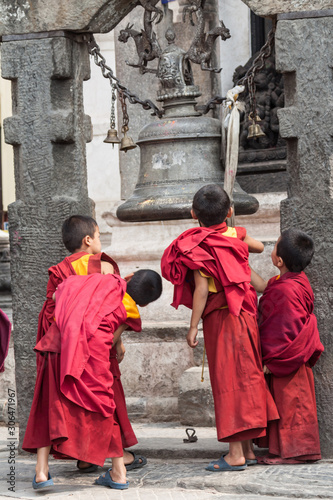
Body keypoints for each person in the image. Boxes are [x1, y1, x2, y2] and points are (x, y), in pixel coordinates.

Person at [161, 184, 279, 472]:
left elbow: (201, 289)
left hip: (221, 320)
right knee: (248, 377)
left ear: (193, 214)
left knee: (228, 383)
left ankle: (235, 454)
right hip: (246, 318)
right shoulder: (235, 235)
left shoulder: (197, 244)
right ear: (229, 212)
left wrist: (192, 328)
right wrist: (234, 233)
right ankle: (249, 449)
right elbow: (259, 247)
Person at [23, 269, 162, 490]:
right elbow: (110, 339)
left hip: (58, 345)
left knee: (50, 407)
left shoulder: (100, 281)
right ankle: (118, 473)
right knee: (105, 407)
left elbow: (57, 296)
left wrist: (74, 317)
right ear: (144, 304)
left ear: (129, 276)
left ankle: (41, 472)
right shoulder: (131, 311)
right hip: (90, 356)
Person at [36, 215, 145, 472]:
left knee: (67, 401)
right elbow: (116, 310)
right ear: (88, 240)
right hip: (95, 347)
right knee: (103, 399)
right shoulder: (103, 266)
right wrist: (117, 345)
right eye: (98, 236)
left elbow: (52, 315)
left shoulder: (59, 272)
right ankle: (117, 464)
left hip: (63, 348)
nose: (99, 241)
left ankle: (84, 457)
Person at [251, 228, 324, 464]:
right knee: (293, 405)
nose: (271, 250)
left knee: (292, 405)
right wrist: (238, 261)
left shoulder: (285, 289)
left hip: (287, 359)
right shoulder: (295, 281)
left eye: (274, 247)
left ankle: (298, 452)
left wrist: (272, 360)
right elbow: (263, 285)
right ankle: (286, 450)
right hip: (295, 360)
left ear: (279, 260)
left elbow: (279, 331)